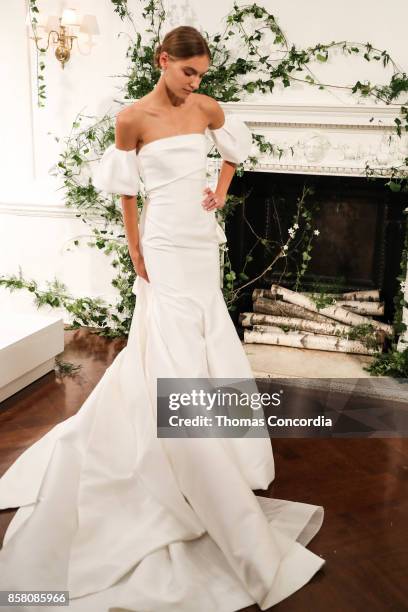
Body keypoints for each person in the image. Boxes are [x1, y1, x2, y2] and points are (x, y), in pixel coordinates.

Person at [0, 25, 325, 612]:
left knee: (206, 336)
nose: (195, 82)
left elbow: (234, 152)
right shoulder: (132, 119)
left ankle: (228, 448)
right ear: (163, 61)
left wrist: (221, 192)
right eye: (187, 71)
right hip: (163, 243)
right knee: (168, 345)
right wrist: (136, 250)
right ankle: (185, 451)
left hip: (201, 241)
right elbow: (126, 193)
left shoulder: (207, 107)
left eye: (201, 73)